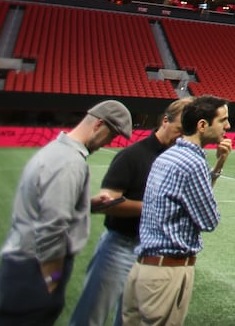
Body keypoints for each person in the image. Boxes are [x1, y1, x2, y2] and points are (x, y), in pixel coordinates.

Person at [0, 100, 133, 326]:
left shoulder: (56, 151)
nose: (108, 143)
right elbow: (52, 226)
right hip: (35, 269)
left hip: (24, 265)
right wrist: (52, 279)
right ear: (99, 125)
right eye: (111, 135)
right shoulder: (69, 163)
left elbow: (47, 205)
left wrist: (88, 204)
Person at [70, 99, 190, 326]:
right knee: (91, 315)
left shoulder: (176, 161)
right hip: (120, 247)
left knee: (130, 320)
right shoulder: (132, 156)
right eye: (180, 130)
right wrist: (155, 208)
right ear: (165, 121)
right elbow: (108, 201)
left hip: (152, 251)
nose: (182, 138)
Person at [119, 96, 230, 326]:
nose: (227, 127)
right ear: (202, 125)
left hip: (142, 268)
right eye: (223, 120)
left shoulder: (167, 156)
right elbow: (209, 220)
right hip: (166, 273)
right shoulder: (193, 162)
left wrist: (218, 165)